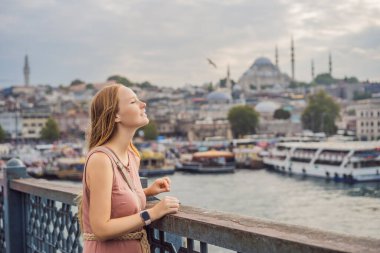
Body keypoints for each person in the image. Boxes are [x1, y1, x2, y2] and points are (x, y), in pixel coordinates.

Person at [80, 84, 180, 253]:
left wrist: (147, 192)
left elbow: (115, 200)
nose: (143, 104)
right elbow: (101, 229)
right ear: (116, 115)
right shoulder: (101, 160)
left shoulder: (132, 156)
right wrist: (153, 213)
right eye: (134, 102)